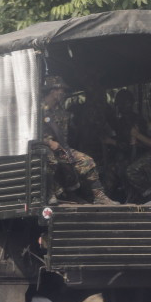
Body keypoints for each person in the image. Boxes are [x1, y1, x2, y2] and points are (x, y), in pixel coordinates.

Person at [41, 75, 118, 205]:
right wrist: (48, 142)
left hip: (60, 148)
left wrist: (66, 151)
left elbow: (63, 136)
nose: (64, 93)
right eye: (61, 90)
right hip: (41, 147)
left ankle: (99, 196)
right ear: (53, 90)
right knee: (50, 160)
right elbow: (26, 134)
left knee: (87, 161)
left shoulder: (60, 111)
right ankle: (49, 194)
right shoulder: (37, 109)